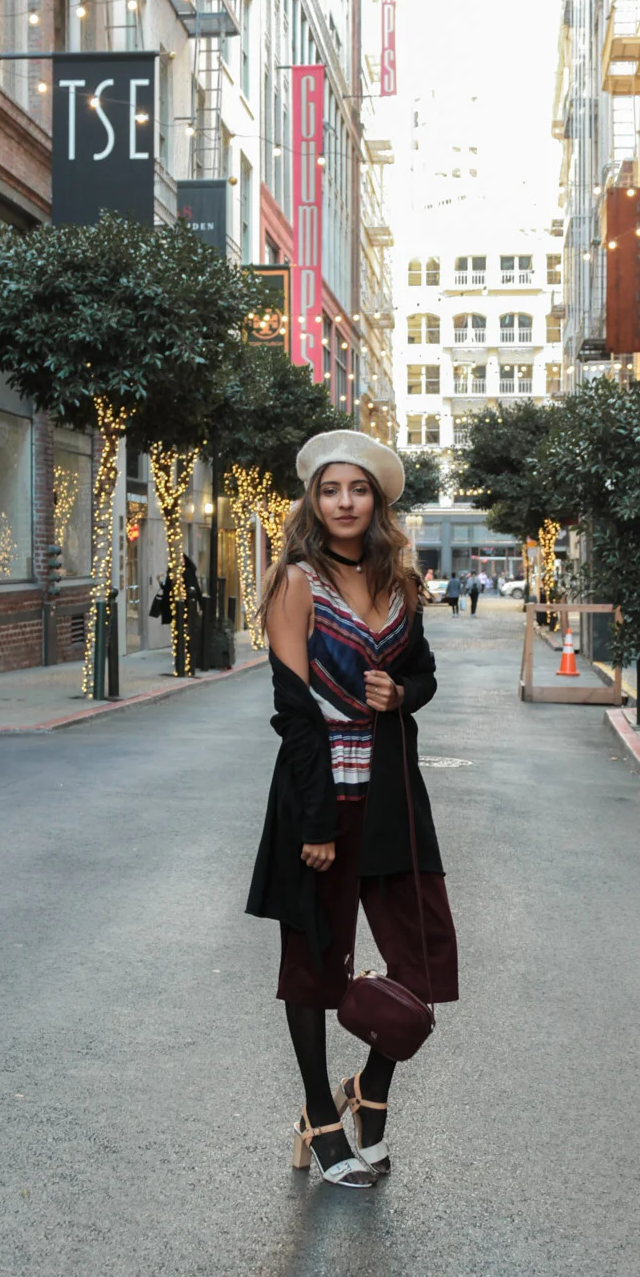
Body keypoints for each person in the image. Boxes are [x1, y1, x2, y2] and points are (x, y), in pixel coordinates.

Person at [247, 430, 459, 1189]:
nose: (344, 502)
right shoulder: (295, 582)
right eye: (331, 490)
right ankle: (320, 1116)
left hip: (393, 795)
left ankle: (370, 1089)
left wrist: (401, 693)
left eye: (358, 489)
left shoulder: (401, 584)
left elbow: (424, 673)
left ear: (378, 501)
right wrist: (314, 824)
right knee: (314, 961)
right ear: (314, 501)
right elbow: (293, 710)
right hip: (322, 795)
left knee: (423, 956)